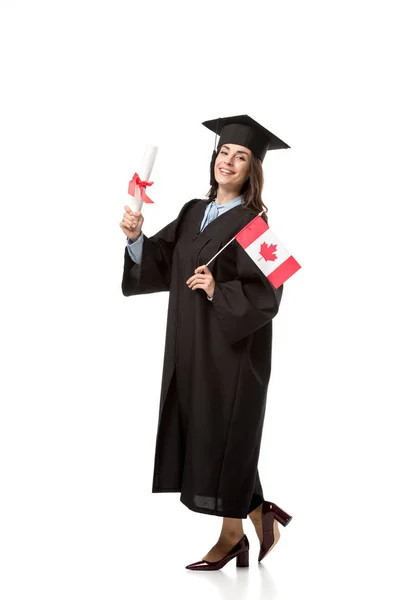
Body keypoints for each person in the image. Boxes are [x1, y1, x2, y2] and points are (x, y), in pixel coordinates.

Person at [120, 114, 293, 571]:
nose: (228, 162)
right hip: (190, 346)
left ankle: (232, 534)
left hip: (233, 354)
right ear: (213, 158)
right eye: (223, 153)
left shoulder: (254, 226)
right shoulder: (193, 211)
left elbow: (273, 289)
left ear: (253, 169)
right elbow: (161, 260)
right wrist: (137, 238)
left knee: (227, 433)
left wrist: (220, 290)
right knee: (208, 431)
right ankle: (261, 515)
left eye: (241, 157)